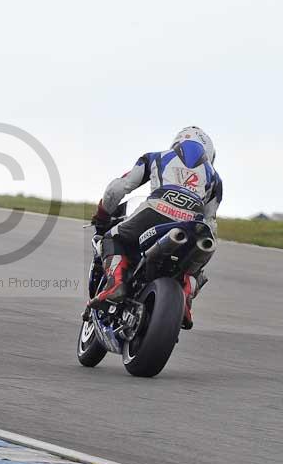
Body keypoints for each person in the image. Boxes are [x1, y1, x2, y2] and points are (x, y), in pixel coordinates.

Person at [89, 126, 222, 329]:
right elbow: (211, 222)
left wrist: (102, 215)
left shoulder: (155, 157)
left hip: (155, 211)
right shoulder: (215, 178)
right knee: (196, 265)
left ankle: (115, 283)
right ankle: (185, 298)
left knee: (112, 237)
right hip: (194, 226)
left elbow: (116, 189)